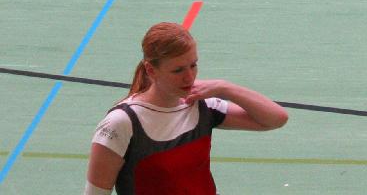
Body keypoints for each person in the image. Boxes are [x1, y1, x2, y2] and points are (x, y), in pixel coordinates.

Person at [85, 22, 289, 194]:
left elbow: (276, 118)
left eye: (193, 65)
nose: (189, 77)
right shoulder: (121, 124)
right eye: (178, 70)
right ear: (151, 70)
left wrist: (224, 87)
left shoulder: (202, 105)